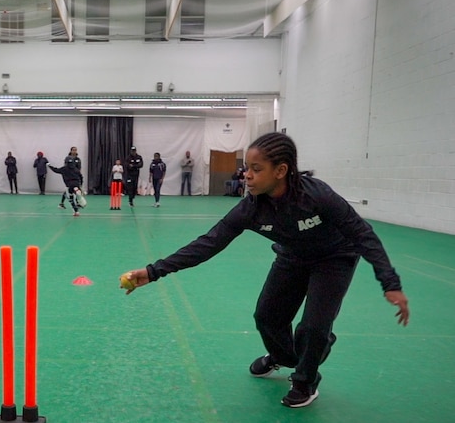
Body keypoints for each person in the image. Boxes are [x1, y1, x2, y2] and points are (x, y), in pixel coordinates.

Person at [119, 132, 409, 408]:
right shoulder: (252, 208)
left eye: (256, 169)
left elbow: (363, 234)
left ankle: (306, 382)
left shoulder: (318, 197)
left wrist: (390, 282)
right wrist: (153, 271)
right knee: (267, 317)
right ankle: (283, 356)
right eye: (247, 168)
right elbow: (209, 243)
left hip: (335, 258)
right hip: (292, 257)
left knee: (313, 329)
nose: (247, 175)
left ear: (280, 171)